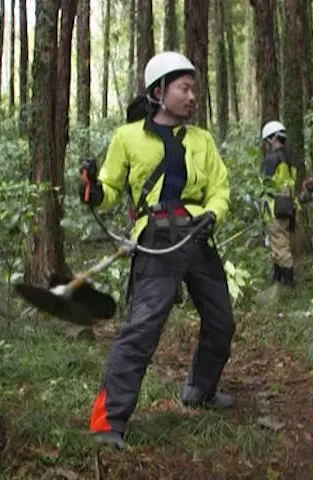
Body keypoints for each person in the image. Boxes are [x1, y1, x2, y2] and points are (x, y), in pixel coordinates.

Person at [78, 51, 236, 449]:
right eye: (184, 88)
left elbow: (220, 189)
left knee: (221, 322)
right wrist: (95, 192)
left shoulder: (202, 140)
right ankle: (107, 421)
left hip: (198, 236)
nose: (192, 96)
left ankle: (200, 390)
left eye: (193, 89)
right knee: (142, 329)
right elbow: (111, 190)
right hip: (156, 240)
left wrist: (212, 216)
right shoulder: (127, 137)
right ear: (159, 91)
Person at [259, 120, 298, 286]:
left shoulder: (271, 159)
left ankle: (288, 285)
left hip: (273, 210)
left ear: (271, 139)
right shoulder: (288, 159)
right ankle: (277, 280)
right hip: (286, 208)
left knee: (280, 246)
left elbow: (264, 186)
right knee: (277, 244)